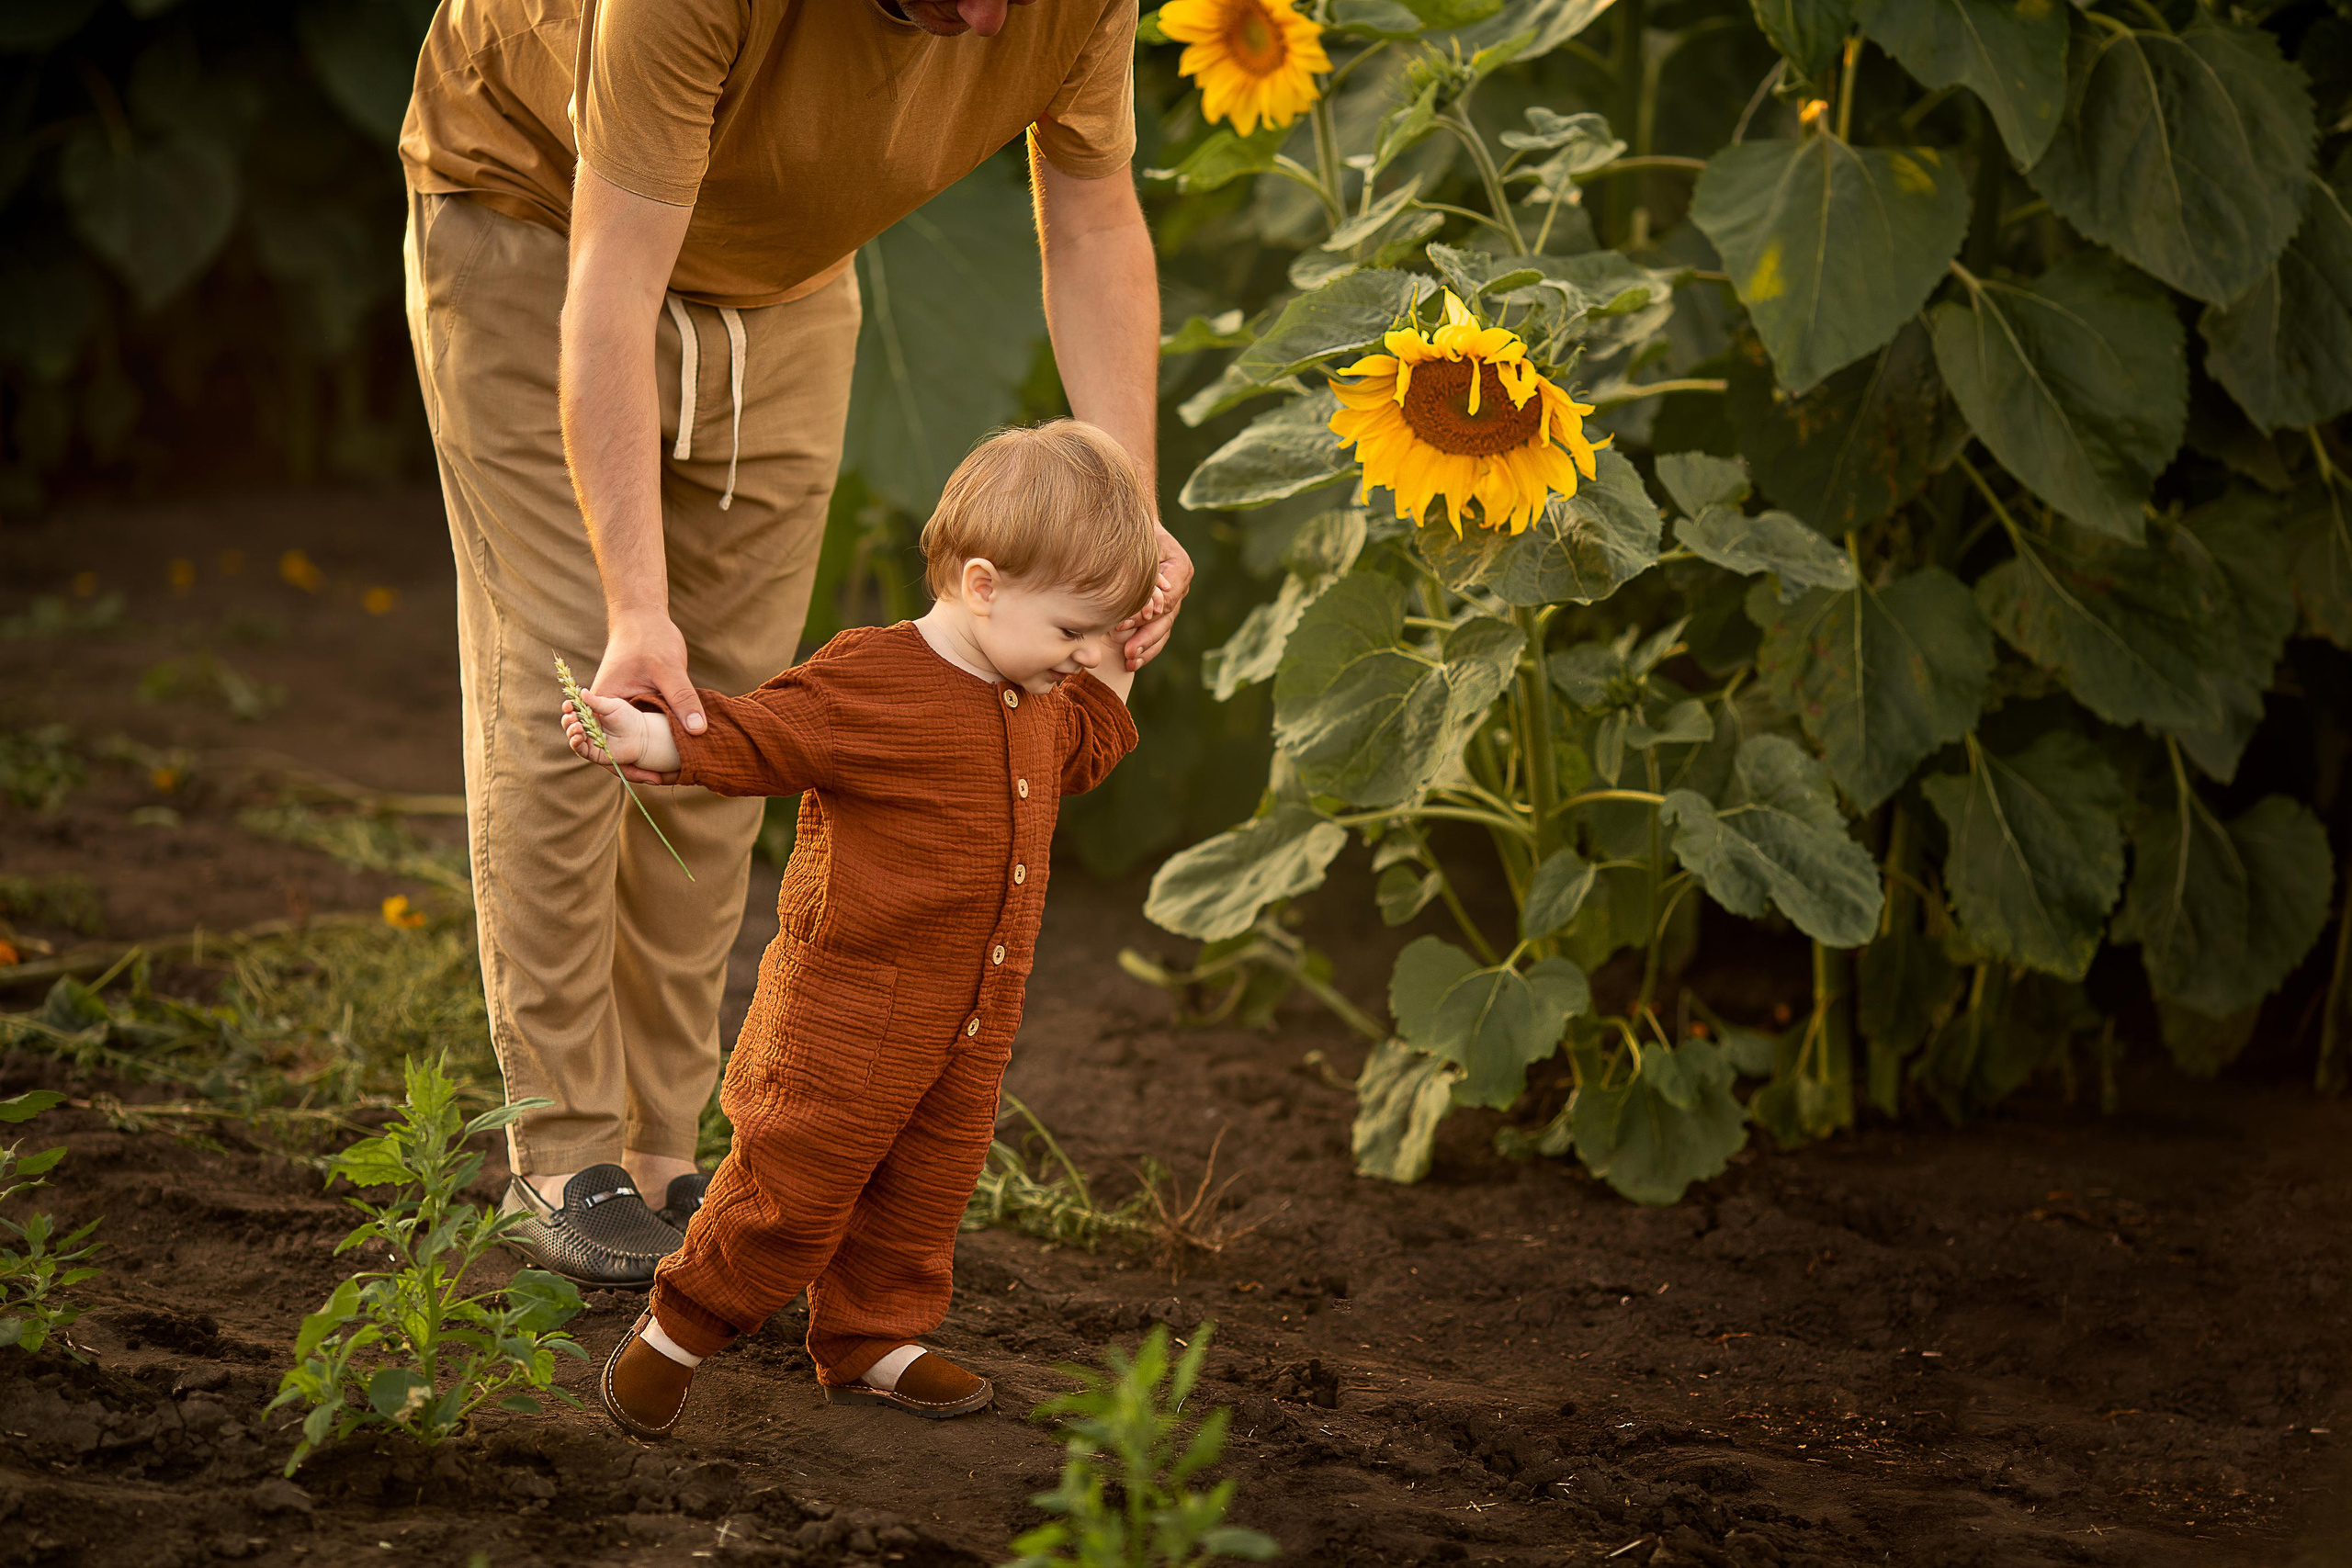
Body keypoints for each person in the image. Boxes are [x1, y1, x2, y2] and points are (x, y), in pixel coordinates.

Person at [398, 0, 1187, 1286]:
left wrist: (1124, 527)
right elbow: (609, 287)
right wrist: (637, 607)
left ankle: (660, 1145)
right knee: (577, 686)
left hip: (789, 284)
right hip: (539, 225)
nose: (988, 17)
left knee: (735, 723)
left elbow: (1094, 215)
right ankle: (560, 1148)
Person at [559, 422, 1150, 1425]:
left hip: (967, 1023)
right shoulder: (874, 678)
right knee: (790, 1188)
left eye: (1098, 638)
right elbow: (760, 733)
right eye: (1071, 634)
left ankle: (871, 1336)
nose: (1082, 658)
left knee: (923, 1195)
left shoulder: (1038, 692)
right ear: (982, 583)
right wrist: (652, 733)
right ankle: (679, 1330)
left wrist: (1117, 657)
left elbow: (1084, 748)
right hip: (844, 1019)